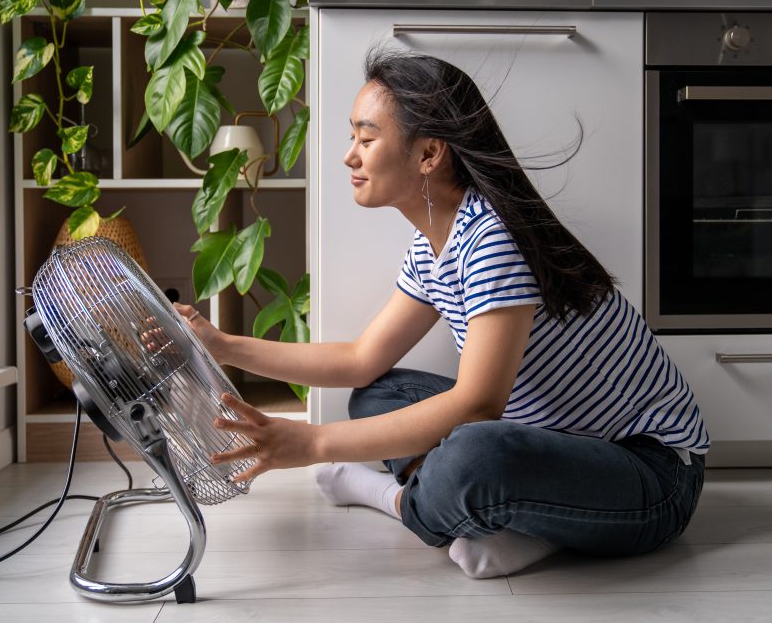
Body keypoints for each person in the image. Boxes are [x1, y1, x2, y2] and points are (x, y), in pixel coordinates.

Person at [171, 49, 709, 579]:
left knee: (473, 456)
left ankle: (399, 501)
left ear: (429, 154)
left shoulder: (493, 238)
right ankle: (516, 521)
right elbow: (362, 359)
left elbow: (478, 402)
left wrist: (311, 444)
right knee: (378, 394)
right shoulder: (436, 241)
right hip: (548, 438)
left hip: (651, 473)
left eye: (366, 138)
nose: (349, 156)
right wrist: (222, 345)